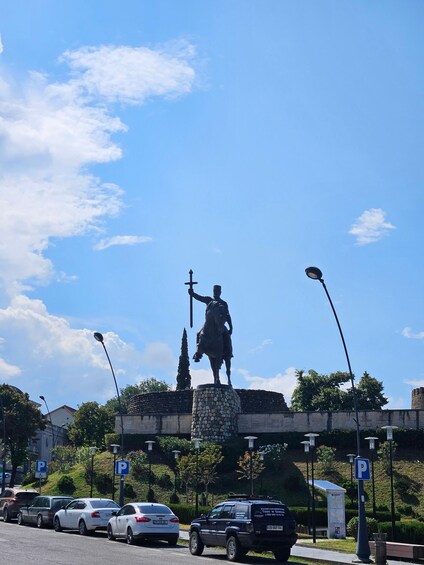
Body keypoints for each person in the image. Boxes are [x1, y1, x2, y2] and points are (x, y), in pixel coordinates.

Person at [188, 284, 233, 363]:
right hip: (208, 324)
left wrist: (231, 327)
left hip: (220, 325)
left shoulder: (223, 303)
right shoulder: (209, 300)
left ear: (220, 292)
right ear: (213, 291)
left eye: (217, 291)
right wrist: (192, 293)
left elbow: (227, 315)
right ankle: (198, 353)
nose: (216, 292)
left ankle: (228, 353)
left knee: (227, 336)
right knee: (198, 333)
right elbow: (200, 298)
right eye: (215, 291)